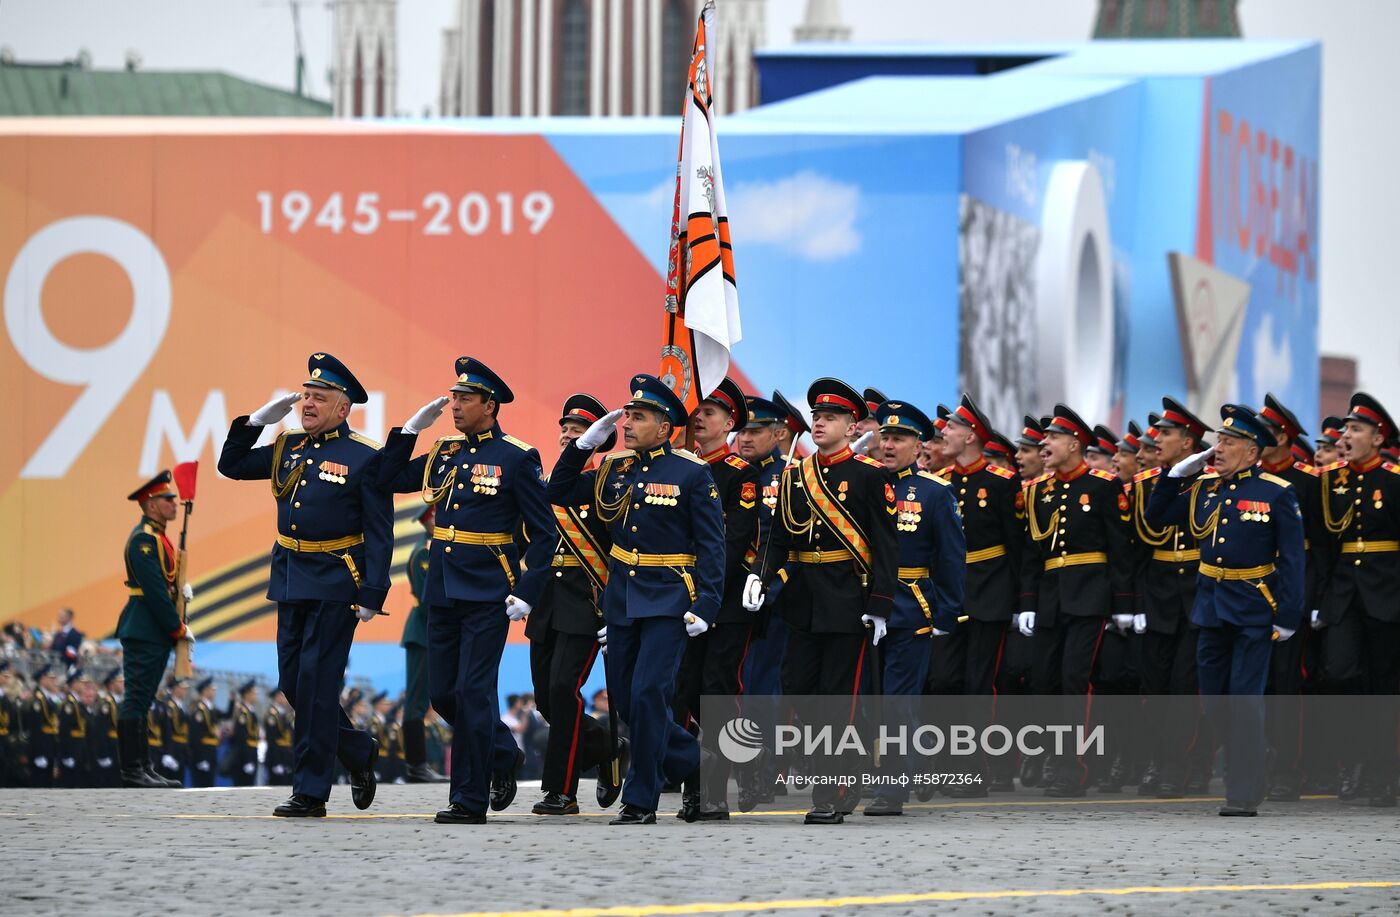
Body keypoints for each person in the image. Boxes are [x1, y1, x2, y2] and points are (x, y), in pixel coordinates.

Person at [379, 356, 555, 824]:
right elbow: (388, 479)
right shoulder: (444, 450)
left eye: (465, 399)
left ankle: (468, 799)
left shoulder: (518, 457)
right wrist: (407, 434)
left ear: (490, 405)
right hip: (442, 587)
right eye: (453, 397)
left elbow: (545, 533)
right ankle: (501, 752)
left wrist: (529, 588)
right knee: (442, 695)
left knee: (475, 692)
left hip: (488, 591)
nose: (455, 406)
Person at [219, 353, 390, 817]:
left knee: (317, 684)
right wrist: (256, 421)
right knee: (294, 684)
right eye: (306, 395)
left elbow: (379, 529)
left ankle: (310, 792)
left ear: (343, 407)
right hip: (292, 576)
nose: (308, 404)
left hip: (339, 579)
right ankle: (356, 751)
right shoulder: (287, 444)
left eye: (321, 397)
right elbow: (230, 465)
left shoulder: (366, 456)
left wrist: (373, 592)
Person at [547, 374, 724, 825]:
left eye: (639, 417)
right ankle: (699, 764)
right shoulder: (615, 468)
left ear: (665, 428)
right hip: (622, 596)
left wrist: (707, 604)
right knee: (626, 702)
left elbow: (712, 544)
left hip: (669, 598)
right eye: (628, 415)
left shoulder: (691, 472)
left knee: (649, 694)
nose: (627, 423)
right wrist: (586, 444)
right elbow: (558, 491)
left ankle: (640, 798)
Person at [745, 378, 898, 825]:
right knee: (799, 694)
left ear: (852, 427)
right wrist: (760, 575)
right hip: (802, 600)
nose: (820, 423)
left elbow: (887, 546)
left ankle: (830, 791)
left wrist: (881, 603)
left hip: (848, 601)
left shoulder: (870, 477)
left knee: (837, 702)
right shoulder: (796, 475)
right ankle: (850, 764)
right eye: (816, 417)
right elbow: (778, 537)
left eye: (830, 417)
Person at [1147, 405, 1304, 815]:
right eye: (1219, 440)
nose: (1218, 448)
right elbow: (1157, 516)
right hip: (1211, 607)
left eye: (1229, 442)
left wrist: (1288, 616)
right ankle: (1257, 757)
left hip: (1255, 609)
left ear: (1252, 452)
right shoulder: (1204, 488)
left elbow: (1292, 560)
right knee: (1215, 701)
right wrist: (1177, 474)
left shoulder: (1276, 492)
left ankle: (1243, 791)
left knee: (1244, 701)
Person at [1018, 404, 1133, 797]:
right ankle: (1055, 756)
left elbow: (1120, 549)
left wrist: (1123, 604)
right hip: (1051, 596)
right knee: (1044, 681)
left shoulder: (1103, 485)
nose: (1043, 444)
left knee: (1074, 679)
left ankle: (1075, 765)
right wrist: (1028, 603)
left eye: (1051, 438)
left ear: (1074, 443)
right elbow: (1032, 553)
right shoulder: (1036, 490)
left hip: (1090, 595)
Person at [863, 400, 965, 816]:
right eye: (885, 436)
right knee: (870, 703)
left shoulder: (935, 493)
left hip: (911, 605)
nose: (889, 444)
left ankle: (892, 788)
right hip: (868, 606)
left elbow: (952, 559)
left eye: (899, 438)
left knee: (898, 702)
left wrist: (947, 613)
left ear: (917, 445)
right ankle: (917, 761)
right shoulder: (863, 483)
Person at [529, 393, 623, 816]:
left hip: (588, 602)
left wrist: (615, 607)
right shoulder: (545, 486)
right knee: (547, 700)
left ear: (598, 440)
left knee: (565, 691)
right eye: (564, 431)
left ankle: (561, 791)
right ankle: (605, 745)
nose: (568, 437)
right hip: (547, 601)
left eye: (578, 433)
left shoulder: (608, 484)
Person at [672, 377, 759, 821]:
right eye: (696, 410)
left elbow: (730, 541)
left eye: (710, 412)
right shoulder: (676, 469)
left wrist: (703, 594)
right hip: (678, 595)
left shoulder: (739, 475)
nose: (699, 418)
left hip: (721, 600)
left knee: (717, 690)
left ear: (729, 423)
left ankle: (712, 792)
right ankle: (697, 778)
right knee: (683, 690)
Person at [1317, 392, 1400, 807]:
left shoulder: (1394, 479)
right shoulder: (1331, 480)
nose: (1346, 436)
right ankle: (1354, 761)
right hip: (1345, 593)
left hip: (1388, 591)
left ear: (1378, 439)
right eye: (1346, 429)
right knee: (1341, 673)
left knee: (1385, 685)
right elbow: (1321, 545)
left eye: (1356, 430)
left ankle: (1383, 772)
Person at [1127, 398, 1211, 797]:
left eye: (1166, 434)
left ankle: (1182, 764)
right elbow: (1136, 553)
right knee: (1155, 684)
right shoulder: (1146, 485)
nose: (1156, 439)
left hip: (1197, 591)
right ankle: (1162, 759)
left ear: (1189, 441)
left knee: (1185, 685)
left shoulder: (1212, 481)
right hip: (1158, 594)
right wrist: (1136, 603)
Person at [1255, 393, 1327, 802]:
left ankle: (1287, 768)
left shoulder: (1308, 483)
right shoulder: (1249, 478)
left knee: (1285, 682)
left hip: (1290, 592)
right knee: (1252, 683)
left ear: (1282, 436)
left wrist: (1311, 599)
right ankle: (1256, 760)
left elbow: (1320, 546)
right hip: (1250, 592)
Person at [736, 393, 801, 809]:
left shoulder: (789, 478)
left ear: (779, 434)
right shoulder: (730, 474)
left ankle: (765, 769)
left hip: (772, 598)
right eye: (741, 428)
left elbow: (790, 544)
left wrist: (768, 586)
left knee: (762, 688)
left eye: (755, 430)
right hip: (728, 594)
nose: (744, 437)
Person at [118, 470, 192, 789]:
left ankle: (144, 767)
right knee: (136, 700)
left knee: (144, 700)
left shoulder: (157, 536)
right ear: (151, 505)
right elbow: (154, 592)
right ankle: (132, 769)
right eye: (167, 499)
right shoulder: (144, 541)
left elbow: (166, 584)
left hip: (152, 630)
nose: (174, 504)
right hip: (145, 627)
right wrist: (176, 627)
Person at [400, 504, 447, 784]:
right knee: (416, 701)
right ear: (429, 520)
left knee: (424, 698)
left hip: (429, 631)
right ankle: (416, 765)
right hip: (424, 632)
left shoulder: (433, 548)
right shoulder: (424, 553)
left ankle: (419, 765)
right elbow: (429, 598)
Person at [57, 668, 93, 788]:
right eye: (81, 682)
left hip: (79, 749)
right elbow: (64, 731)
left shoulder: (77, 703)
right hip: (71, 749)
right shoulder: (69, 704)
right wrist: (66, 755)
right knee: (70, 784)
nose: (84, 685)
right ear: (74, 683)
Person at [27, 663, 61, 787]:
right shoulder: (38, 699)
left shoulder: (48, 699)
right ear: (42, 679)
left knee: (47, 784)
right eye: (50, 678)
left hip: (49, 747)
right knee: (39, 783)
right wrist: (38, 753)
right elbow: (36, 728)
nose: (54, 681)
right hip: (41, 748)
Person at [91, 670, 122, 788]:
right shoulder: (106, 704)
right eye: (119, 682)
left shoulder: (119, 702)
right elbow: (101, 731)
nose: (123, 684)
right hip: (110, 749)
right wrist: (103, 754)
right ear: (111, 684)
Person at [188, 677, 221, 787]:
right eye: (212, 689)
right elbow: (196, 736)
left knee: (209, 784)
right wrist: (201, 758)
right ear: (205, 690)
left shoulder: (209, 708)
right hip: (203, 753)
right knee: (200, 785)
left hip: (211, 751)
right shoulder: (200, 710)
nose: (214, 692)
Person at [158, 677, 190, 785]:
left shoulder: (179, 706)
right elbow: (168, 730)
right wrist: (168, 752)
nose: (185, 691)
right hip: (173, 747)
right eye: (182, 688)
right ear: (175, 688)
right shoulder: (169, 705)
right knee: (170, 781)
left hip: (180, 748)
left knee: (179, 781)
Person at [228, 680, 261, 786]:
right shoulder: (243, 712)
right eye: (254, 693)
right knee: (242, 785)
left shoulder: (250, 711)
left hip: (251, 752)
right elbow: (241, 737)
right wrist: (247, 760)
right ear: (247, 694)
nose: (256, 695)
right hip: (243, 756)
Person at [264, 689, 295, 786]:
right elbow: (272, 740)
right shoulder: (272, 715)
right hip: (276, 757)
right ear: (278, 697)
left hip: (285, 756)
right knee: (276, 785)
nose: (286, 699)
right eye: (283, 695)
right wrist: (276, 762)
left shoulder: (283, 713)